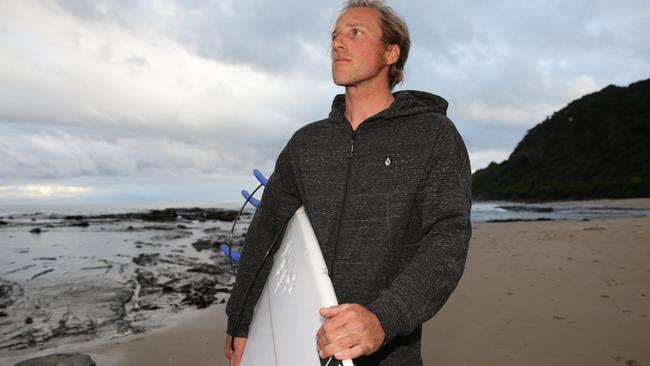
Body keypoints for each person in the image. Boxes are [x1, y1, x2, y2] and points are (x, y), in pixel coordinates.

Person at [224, 1, 472, 365]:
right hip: (297, 346)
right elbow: (266, 234)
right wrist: (240, 323)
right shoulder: (306, 144)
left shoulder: (433, 135)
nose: (338, 44)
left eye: (356, 33)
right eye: (335, 36)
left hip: (388, 352)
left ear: (391, 52)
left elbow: (446, 239)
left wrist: (382, 318)